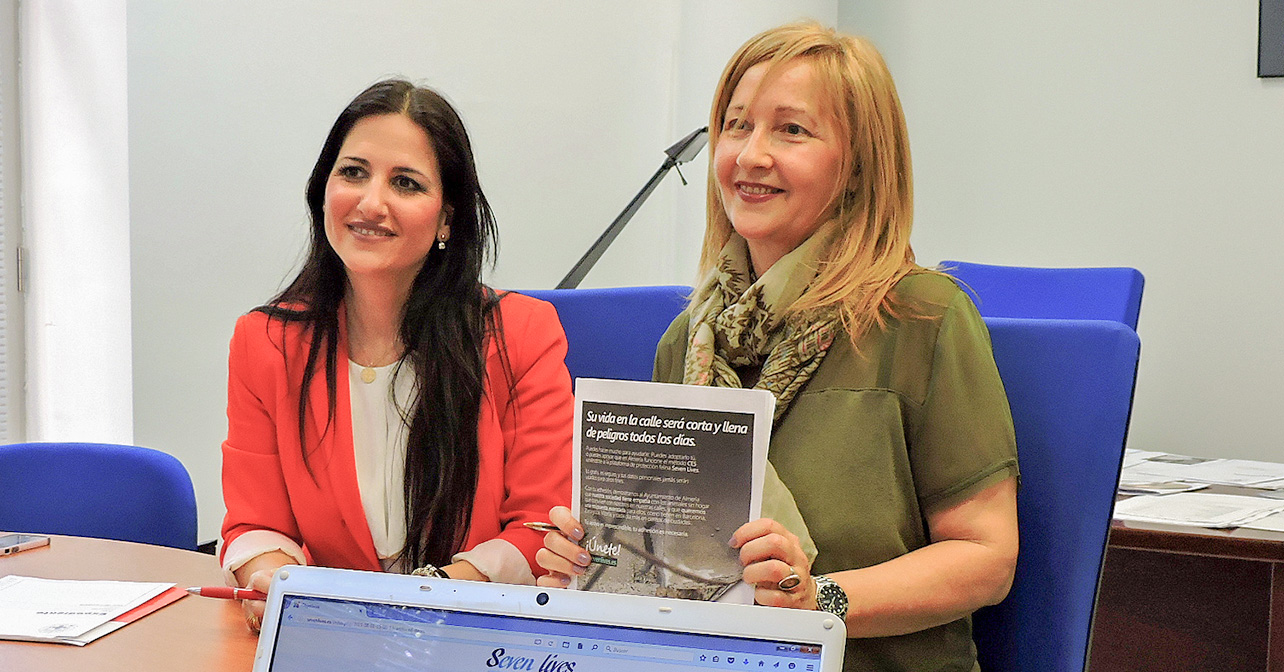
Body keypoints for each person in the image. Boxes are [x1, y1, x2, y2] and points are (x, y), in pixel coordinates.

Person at [535, 22, 1019, 672]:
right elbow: (675, 569)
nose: (750, 155)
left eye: (791, 130)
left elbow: (987, 559)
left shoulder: (923, 318)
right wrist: (595, 561)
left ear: (857, 166)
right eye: (736, 126)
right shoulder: (685, 342)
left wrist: (819, 601)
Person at [220, 79, 574, 632]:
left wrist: (430, 598)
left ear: (447, 218)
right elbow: (254, 524)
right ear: (323, 190)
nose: (370, 203)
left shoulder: (521, 336)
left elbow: (538, 526)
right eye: (353, 172)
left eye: (405, 183)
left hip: (472, 641)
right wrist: (270, 577)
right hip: (322, 646)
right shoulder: (264, 341)